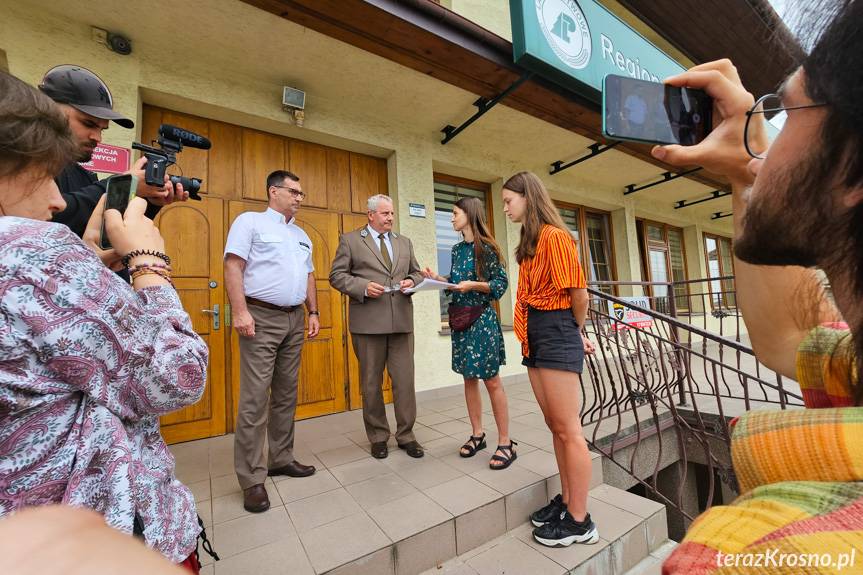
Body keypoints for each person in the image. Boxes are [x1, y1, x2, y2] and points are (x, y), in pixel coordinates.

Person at [647, 0, 863, 571]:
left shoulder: (755, 553)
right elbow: (789, 338)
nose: (764, 143)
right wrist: (747, 170)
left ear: (854, 168)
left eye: (786, 112)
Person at [0, 71, 209, 572]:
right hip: (92, 528)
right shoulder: (36, 252)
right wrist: (148, 264)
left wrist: (93, 261)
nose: (54, 201)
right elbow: (177, 376)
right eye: (43, 174)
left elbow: (51, 324)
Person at [501, 171, 599, 547]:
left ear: (528, 197)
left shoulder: (556, 237)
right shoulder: (530, 242)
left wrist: (574, 331)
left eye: (510, 200)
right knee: (555, 426)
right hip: (538, 332)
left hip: (557, 328)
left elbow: (579, 294)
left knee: (569, 429)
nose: (506, 207)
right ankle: (569, 499)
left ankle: (580, 520)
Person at [224, 170, 320, 514]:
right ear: (273, 191)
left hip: (295, 318)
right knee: (254, 398)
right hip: (260, 316)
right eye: (293, 191)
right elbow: (233, 266)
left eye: (301, 192)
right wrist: (240, 312)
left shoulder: (301, 235)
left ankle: (281, 458)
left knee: (285, 394)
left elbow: (308, 274)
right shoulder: (250, 222)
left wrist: (313, 311)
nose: (299, 197)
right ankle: (251, 479)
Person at [37, 65, 187, 243]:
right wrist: (121, 186)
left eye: (102, 129)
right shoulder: (17, 163)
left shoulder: (83, 175)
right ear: (48, 111)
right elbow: (42, 223)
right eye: (88, 124)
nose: (98, 138)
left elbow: (105, 233)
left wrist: (150, 200)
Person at [329, 194, 425, 459]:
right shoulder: (349, 241)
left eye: (392, 213)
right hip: (368, 324)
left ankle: (407, 436)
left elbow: (416, 273)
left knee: (404, 383)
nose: (390, 218)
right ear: (370, 215)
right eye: (385, 214)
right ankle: (378, 437)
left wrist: (411, 281)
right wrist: (361, 287)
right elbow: (336, 276)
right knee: (371, 384)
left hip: (401, 323)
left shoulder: (404, 242)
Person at [421, 197, 515, 469]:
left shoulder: (487, 248)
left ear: (469, 215)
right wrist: (439, 280)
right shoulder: (456, 249)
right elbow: (455, 281)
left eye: (454, 213)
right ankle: (477, 435)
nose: (450, 218)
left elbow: (499, 285)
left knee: (492, 381)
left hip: (482, 321)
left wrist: (473, 285)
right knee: (468, 378)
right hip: (461, 321)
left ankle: (506, 442)